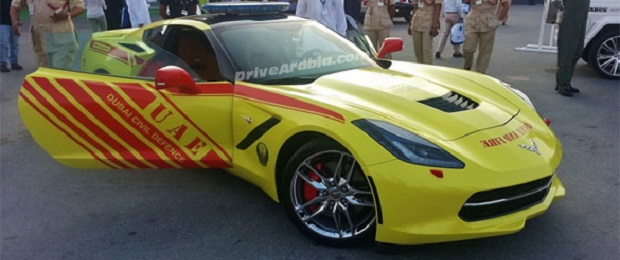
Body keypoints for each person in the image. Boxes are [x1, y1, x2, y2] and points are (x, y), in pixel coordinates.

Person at [10, 0, 84, 70]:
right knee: (44, 74)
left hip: (61, 38)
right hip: (39, 39)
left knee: (61, 74)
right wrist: (15, 21)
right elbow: (15, 6)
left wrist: (67, 15)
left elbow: (79, 7)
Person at [461, 0, 508, 74]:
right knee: (468, 49)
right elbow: (465, 1)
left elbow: (506, 4)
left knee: (485, 51)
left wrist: (498, 19)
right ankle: (467, 65)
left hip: (489, 21)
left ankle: (480, 73)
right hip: (473, 20)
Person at [555, 0, 589, 97]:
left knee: (577, 49)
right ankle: (563, 84)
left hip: (581, 10)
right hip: (573, 8)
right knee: (568, 48)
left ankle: (565, 81)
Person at [408, 0, 443, 65]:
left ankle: (428, 71)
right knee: (417, 51)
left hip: (429, 22)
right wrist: (410, 23)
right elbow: (415, 7)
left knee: (427, 51)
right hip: (416, 22)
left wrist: (434, 25)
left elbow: (438, 7)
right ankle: (420, 70)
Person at [1, 0, 22, 72]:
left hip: (14, 21)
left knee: (15, 44)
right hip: (2, 22)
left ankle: (14, 62)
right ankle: (2, 63)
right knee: (4, 44)